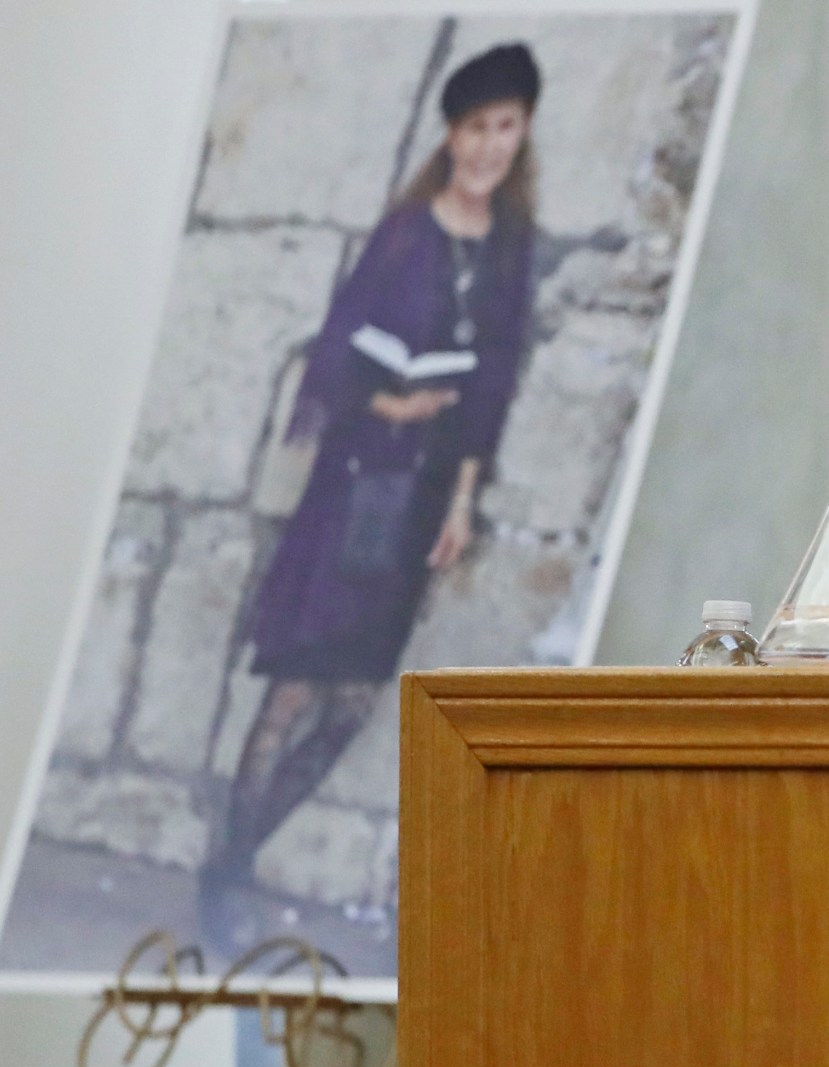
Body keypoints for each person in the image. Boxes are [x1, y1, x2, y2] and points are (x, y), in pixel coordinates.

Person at [200, 43, 541, 941]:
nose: (488, 146)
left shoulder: (512, 249)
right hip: (355, 483)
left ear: (523, 133)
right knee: (296, 690)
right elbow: (339, 350)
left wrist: (464, 499)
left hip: (425, 496)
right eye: (475, 127)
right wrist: (393, 398)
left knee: (353, 701)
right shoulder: (406, 232)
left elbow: (494, 391)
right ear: (451, 134)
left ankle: (235, 853)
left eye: (506, 127)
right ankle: (224, 880)